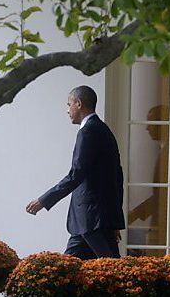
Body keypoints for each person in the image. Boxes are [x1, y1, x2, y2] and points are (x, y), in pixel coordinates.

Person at [26, 85, 125, 259]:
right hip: (90, 221)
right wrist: (113, 219)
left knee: (111, 272)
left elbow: (76, 174)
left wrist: (43, 200)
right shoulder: (103, 130)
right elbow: (117, 176)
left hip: (91, 220)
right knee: (66, 272)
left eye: (68, 104)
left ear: (78, 104)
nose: (67, 110)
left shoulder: (88, 132)